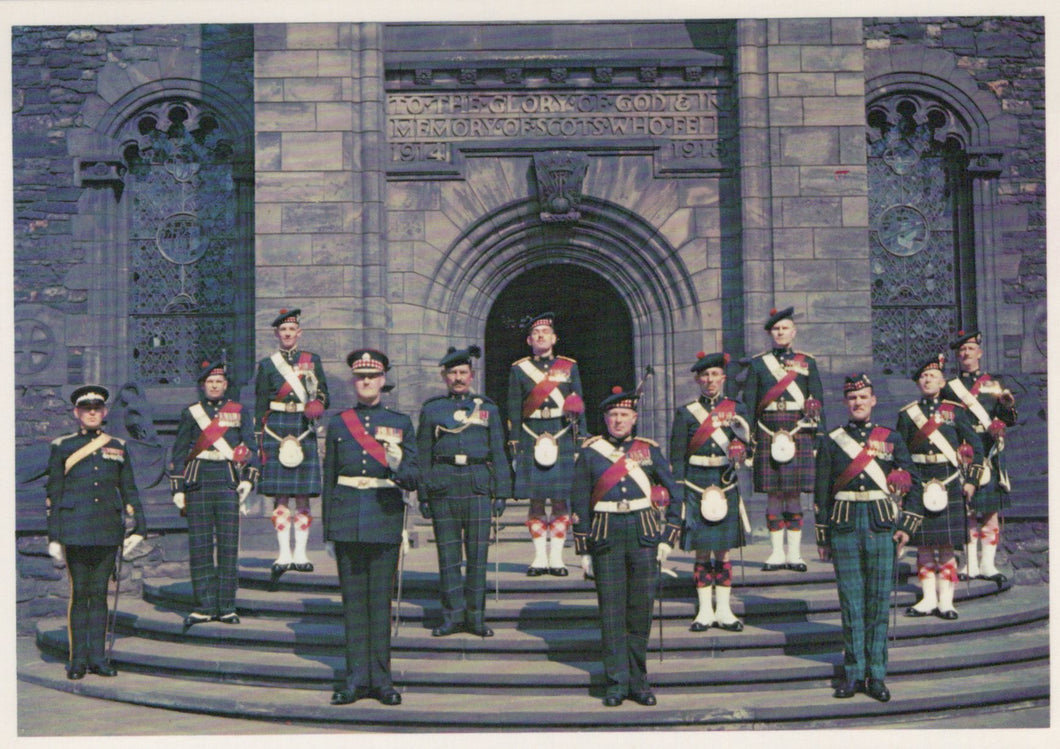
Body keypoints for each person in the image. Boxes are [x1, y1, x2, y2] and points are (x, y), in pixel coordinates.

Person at [814, 373, 923, 702]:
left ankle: (876, 675)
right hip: (845, 526)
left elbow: (912, 480)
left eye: (863, 396)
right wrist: (823, 535)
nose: (858, 402)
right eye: (852, 398)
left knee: (878, 602)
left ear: (873, 400)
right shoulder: (833, 440)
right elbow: (821, 490)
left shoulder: (890, 438)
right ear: (845, 403)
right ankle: (852, 673)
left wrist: (907, 526)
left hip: (880, 526)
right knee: (851, 602)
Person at [572, 386, 682, 707]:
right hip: (605, 536)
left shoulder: (647, 450)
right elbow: (578, 499)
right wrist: (583, 549)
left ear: (634, 418)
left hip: (644, 534)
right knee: (611, 611)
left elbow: (673, 492)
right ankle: (616, 683)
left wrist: (668, 538)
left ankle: (639, 681)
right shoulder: (591, 452)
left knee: (640, 610)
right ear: (605, 419)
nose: (618, 421)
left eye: (624, 415)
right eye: (613, 415)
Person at [322, 349, 418, 706]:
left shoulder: (401, 423)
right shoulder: (338, 423)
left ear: (382, 381)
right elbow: (329, 477)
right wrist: (328, 531)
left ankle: (381, 681)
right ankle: (355, 680)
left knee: (380, 605)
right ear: (354, 381)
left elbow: (413, 477)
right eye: (360, 376)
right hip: (347, 520)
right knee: (353, 607)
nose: (366, 382)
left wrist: (395, 463)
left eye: (372, 376)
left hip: (384, 518)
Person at [45, 385, 146, 680]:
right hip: (75, 529)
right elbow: (54, 491)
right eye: (86, 409)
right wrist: (54, 536)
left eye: (97, 409)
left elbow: (128, 488)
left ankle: (98, 658)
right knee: (80, 594)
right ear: (77, 413)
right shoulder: (62, 446)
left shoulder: (118, 445)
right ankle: (77, 660)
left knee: (100, 594)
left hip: (106, 529)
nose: (92, 413)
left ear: (103, 413)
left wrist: (139, 526)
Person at [418, 345, 512, 637]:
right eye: (452, 373)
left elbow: (498, 451)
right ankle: (451, 616)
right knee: (448, 556)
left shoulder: (488, 409)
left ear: (472, 375)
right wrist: (423, 493)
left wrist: (502, 492)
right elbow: (423, 454)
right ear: (445, 377)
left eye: (463, 373)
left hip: (478, 483)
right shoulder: (433, 410)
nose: (458, 378)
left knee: (477, 555)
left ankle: (475, 617)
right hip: (443, 484)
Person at [170, 359, 260, 629]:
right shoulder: (191, 412)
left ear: (226, 385)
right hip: (197, 481)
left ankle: (227, 606)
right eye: (210, 382)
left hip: (226, 480)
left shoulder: (239, 411)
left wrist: (248, 480)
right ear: (203, 385)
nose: (215, 385)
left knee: (229, 546)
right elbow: (178, 451)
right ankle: (204, 606)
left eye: (219, 382)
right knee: (200, 546)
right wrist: (177, 488)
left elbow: (252, 448)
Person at [667, 352, 753, 632]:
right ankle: (704, 611)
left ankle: (725, 611)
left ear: (723, 378)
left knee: (724, 553)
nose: (710, 380)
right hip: (696, 484)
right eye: (705, 376)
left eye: (715, 374)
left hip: (725, 480)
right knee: (702, 553)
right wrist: (678, 493)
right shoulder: (686, 412)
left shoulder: (736, 408)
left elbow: (750, 452)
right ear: (697, 379)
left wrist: (743, 441)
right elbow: (677, 455)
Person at [897, 354, 984, 621]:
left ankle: (947, 601)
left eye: (932, 376)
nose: (927, 380)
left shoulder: (954, 410)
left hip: (949, 482)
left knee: (946, 547)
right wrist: (901, 486)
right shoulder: (907, 414)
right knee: (923, 546)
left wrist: (970, 481)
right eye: (923, 376)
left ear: (942, 381)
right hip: (920, 484)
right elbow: (900, 454)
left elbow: (976, 448)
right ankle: (927, 598)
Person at [744, 306, 823, 572]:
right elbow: (751, 403)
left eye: (785, 328)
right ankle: (776, 553)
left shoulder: (807, 362)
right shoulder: (758, 364)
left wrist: (816, 436)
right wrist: (749, 441)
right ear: (770, 333)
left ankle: (796, 554)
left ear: (793, 331)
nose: (780, 332)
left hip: (798, 431)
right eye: (776, 329)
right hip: (768, 432)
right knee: (773, 496)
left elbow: (817, 400)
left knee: (794, 496)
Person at [507, 312, 586, 577]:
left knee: (561, 499)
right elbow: (514, 406)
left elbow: (578, 405)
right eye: (536, 334)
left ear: (554, 338)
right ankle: (539, 558)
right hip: (531, 433)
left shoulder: (568, 366)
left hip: (561, 433)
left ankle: (557, 558)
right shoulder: (519, 369)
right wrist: (515, 442)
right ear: (529, 340)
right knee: (536, 500)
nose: (541, 336)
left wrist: (580, 440)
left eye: (545, 333)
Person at [254, 308, 329, 579]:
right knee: (280, 495)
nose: (287, 334)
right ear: (277, 334)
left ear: (299, 333)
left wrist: (318, 404)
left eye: (291, 330)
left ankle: (301, 553)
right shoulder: (267, 364)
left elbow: (324, 394)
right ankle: (284, 553)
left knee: (303, 496)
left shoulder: (312, 360)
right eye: (282, 330)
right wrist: (257, 436)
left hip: (302, 428)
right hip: (275, 429)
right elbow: (260, 402)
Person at [943, 329, 1018, 585]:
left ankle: (988, 563)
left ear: (980, 352)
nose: (966, 353)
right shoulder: (950, 388)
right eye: (961, 350)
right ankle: (969, 563)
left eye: (970, 349)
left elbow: (1009, 419)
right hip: (963, 451)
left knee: (989, 512)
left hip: (989, 450)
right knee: (968, 510)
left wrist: (1007, 406)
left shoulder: (993, 384)